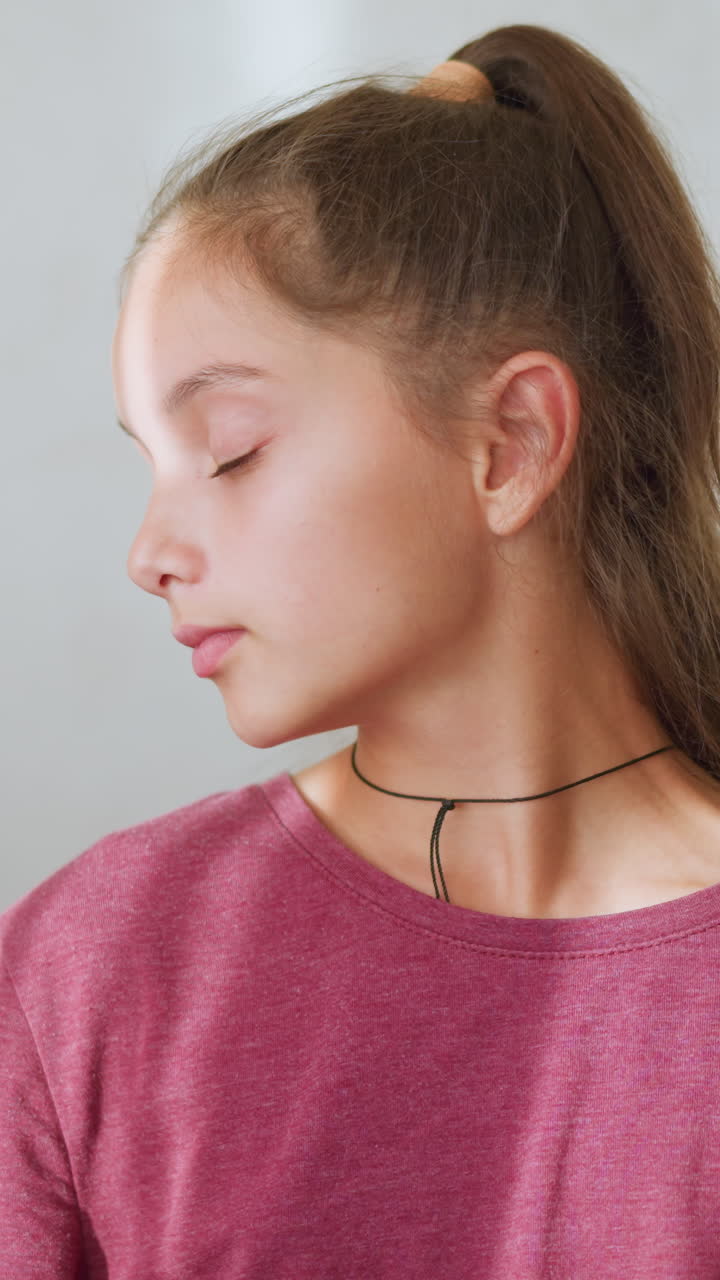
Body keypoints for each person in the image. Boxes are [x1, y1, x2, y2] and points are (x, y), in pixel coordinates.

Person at [3, 22, 720, 1278]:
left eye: (229, 451)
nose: (149, 552)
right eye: (151, 466)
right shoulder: (90, 967)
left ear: (509, 445)